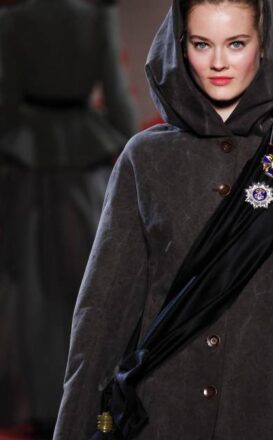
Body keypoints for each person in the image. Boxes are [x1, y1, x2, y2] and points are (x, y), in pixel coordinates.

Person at [54, 0, 273, 439]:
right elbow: (101, 314)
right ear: (180, 47)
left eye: (236, 43)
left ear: (265, 46)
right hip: (160, 416)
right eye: (202, 44)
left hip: (268, 411)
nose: (218, 62)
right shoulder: (145, 159)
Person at [0, 0, 138, 436]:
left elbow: (5, 98)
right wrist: (133, 148)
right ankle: (90, 401)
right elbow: (115, 91)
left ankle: (45, 408)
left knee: (32, 290)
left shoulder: (12, 21)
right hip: (83, 162)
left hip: (29, 164)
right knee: (89, 286)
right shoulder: (96, 17)